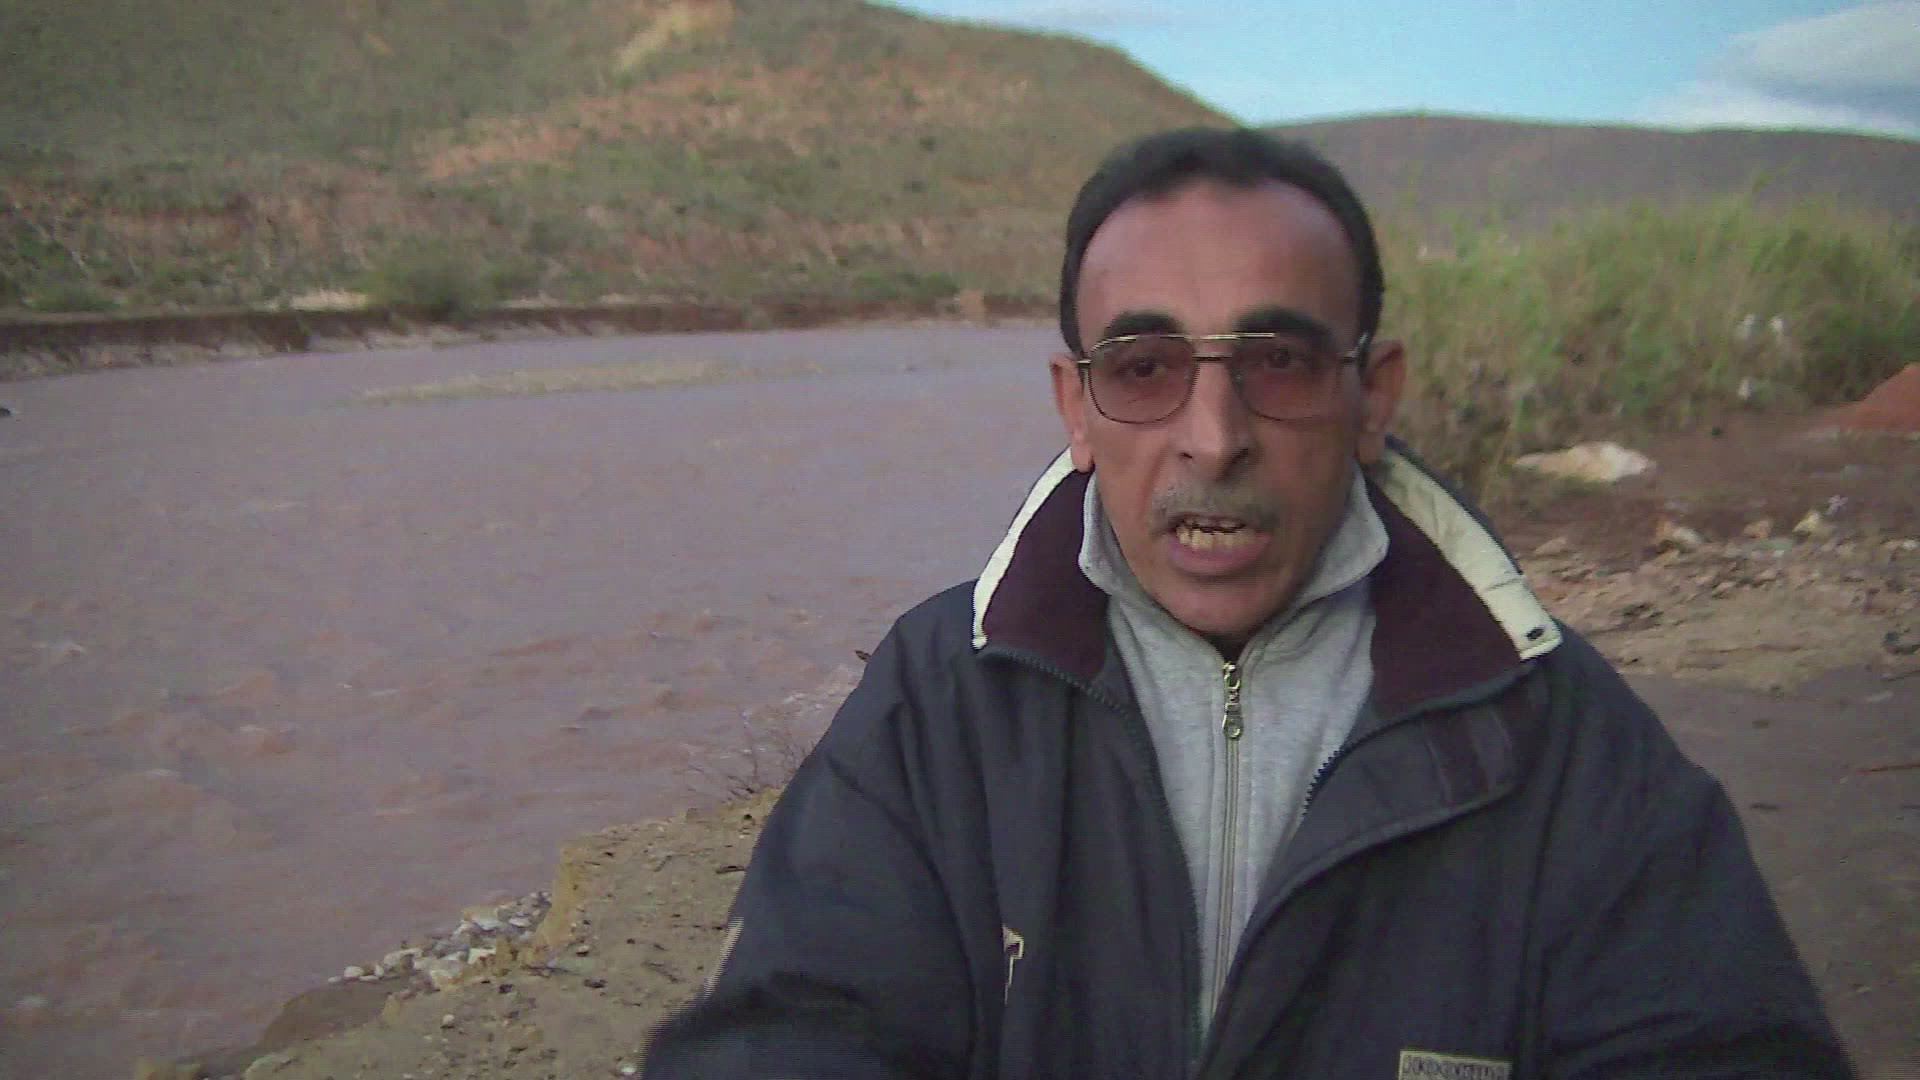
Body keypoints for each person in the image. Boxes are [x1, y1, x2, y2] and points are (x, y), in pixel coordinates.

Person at [642, 128, 1853, 1079]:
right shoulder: (939, 699)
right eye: (1145, 368)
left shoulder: (1558, 733)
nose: (1212, 438)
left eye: (1277, 361)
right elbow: (792, 1029)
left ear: (1373, 395)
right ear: (1075, 407)